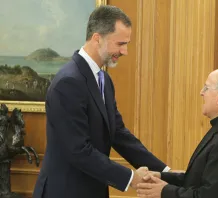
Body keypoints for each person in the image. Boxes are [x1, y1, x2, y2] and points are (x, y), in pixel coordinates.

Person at [33, 5, 170, 198]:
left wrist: (165, 172)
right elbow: (78, 150)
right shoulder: (68, 82)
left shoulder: (104, 80)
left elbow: (119, 134)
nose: (125, 51)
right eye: (120, 44)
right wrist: (132, 178)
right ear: (97, 38)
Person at [136, 68, 218, 198]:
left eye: (206, 88)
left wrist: (164, 191)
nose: (201, 93)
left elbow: (210, 195)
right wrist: (161, 176)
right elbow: (197, 180)